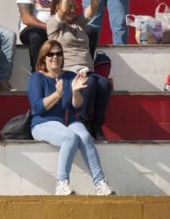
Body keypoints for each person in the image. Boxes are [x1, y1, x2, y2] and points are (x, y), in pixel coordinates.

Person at [28, 40, 115, 196]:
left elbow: (77, 107)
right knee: (70, 137)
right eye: (50, 54)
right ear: (43, 58)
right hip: (43, 123)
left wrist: (75, 92)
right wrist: (57, 94)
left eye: (59, 53)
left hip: (68, 120)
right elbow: (38, 108)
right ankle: (62, 183)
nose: (55, 57)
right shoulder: (37, 77)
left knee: (86, 136)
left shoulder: (70, 76)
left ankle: (100, 183)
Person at [48, 0, 112, 140]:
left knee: (104, 84)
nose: (72, 10)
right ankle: (81, 121)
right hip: (69, 72)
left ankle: (96, 126)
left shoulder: (78, 24)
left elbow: (94, 6)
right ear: (57, 8)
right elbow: (62, 11)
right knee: (89, 83)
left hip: (86, 70)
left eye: (74, 6)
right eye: (69, 6)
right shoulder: (54, 26)